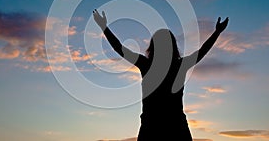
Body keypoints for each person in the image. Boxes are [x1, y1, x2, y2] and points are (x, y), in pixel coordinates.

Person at [93, 9, 229, 140]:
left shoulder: (149, 64)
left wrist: (104, 27)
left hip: (158, 126)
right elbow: (201, 52)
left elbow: (119, 48)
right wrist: (217, 33)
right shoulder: (177, 65)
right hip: (166, 126)